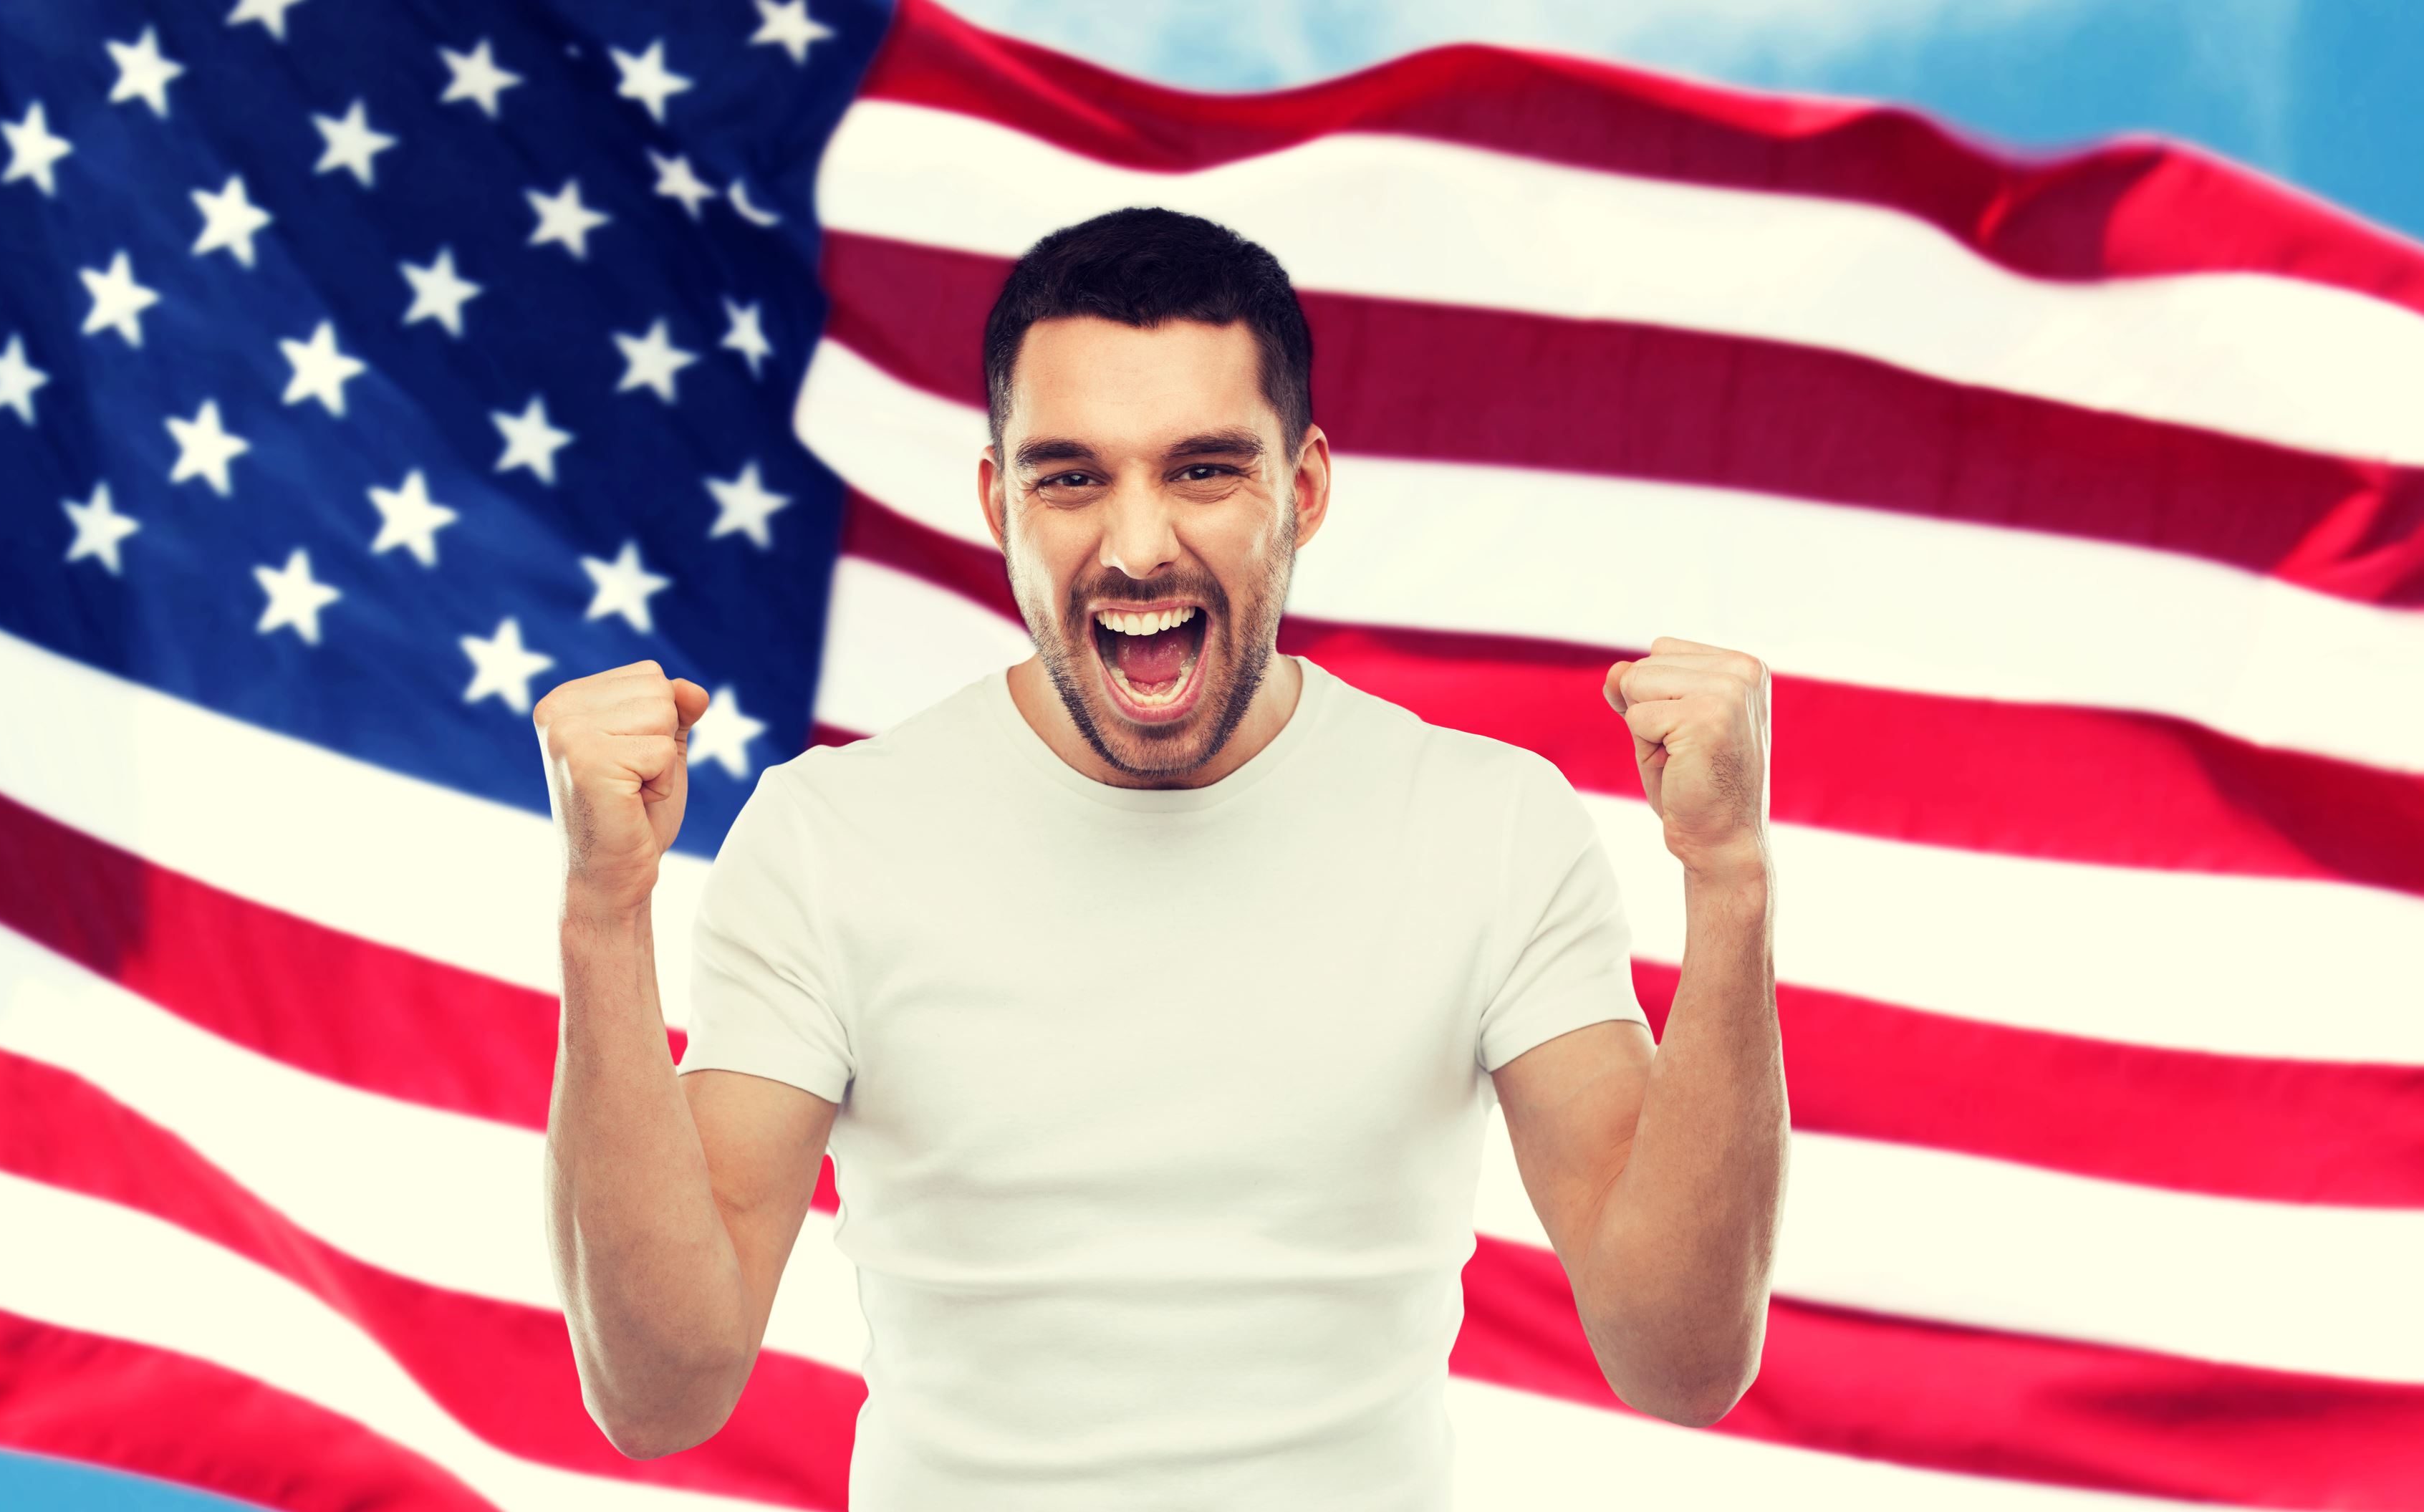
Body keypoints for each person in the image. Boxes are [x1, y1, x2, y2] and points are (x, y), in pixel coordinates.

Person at [535, 206, 1786, 1509]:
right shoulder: (828, 838)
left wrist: (1731, 877)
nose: (1137, 548)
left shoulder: (1487, 824)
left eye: (1202, 470)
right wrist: (604, 914)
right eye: (1071, 476)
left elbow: (1683, 1358)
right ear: (997, 499)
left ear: (1301, 491)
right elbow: (660, 1395)